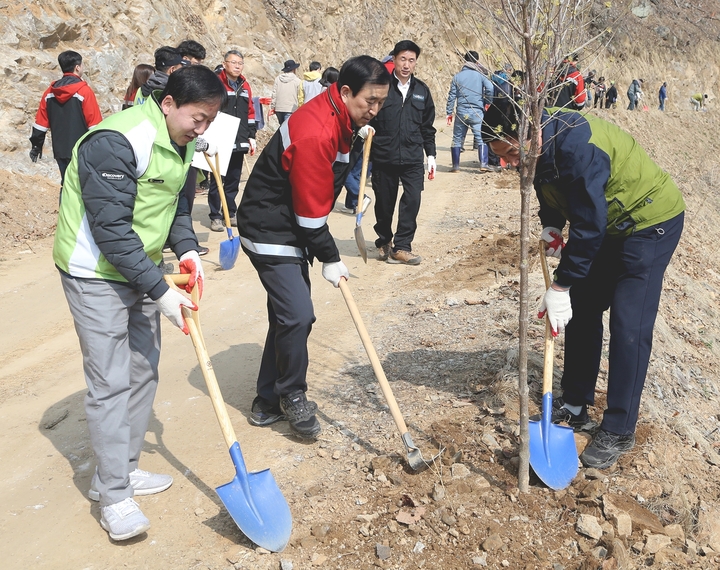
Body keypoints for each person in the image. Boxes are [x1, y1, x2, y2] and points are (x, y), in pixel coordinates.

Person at [53, 65, 226, 540]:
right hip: (95, 272)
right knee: (110, 381)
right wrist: (160, 290)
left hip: (141, 267)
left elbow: (173, 205)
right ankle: (112, 496)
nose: (202, 128)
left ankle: (123, 470)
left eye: (210, 119)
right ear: (167, 103)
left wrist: (187, 248)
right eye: (197, 117)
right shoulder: (116, 141)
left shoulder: (183, 139)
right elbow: (110, 230)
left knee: (143, 370)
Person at [482, 102, 685, 470]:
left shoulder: (576, 147)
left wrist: (561, 286)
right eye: (501, 156)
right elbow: (550, 187)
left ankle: (619, 428)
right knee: (585, 307)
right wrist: (552, 222)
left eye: (512, 153)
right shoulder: (537, 147)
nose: (509, 163)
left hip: (648, 221)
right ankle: (575, 404)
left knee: (628, 326)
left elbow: (590, 225)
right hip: (607, 222)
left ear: (533, 134)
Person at [237, 56, 390, 439]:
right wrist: (331, 256)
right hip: (270, 227)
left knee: (286, 316)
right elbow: (310, 218)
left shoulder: (340, 118)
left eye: (381, 103)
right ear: (344, 92)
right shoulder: (315, 131)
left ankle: (267, 401)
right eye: (369, 102)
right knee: (299, 315)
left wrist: (357, 137)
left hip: (291, 223)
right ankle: (290, 394)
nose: (374, 110)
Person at [370, 40, 437, 265]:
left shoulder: (422, 91)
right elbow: (367, 114)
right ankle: (384, 240)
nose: (406, 64)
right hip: (384, 155)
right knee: (384, 203)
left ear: (416, 63)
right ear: (394, 60)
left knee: (412, 200)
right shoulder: (381, 87)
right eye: (402, 59)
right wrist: (363, 128)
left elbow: (427, 126)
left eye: (411, 60)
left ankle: (402, 246)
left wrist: (432, 155)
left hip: (412, 157)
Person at [29, 50, 102, 186]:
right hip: (81, 150)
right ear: (77, 67)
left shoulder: (49, 92)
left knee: (66, 184)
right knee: (81, 187)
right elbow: (94, 124)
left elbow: (41, 122)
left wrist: (36, 145)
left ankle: (64, 207)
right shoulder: (84, 91)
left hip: (60, 150)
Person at [208, 50, 257, 233]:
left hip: (240, 138)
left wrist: (251, 134)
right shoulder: (216, 84)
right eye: (233, 62)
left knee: (234, 180)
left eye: (240, 63)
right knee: (218, 179)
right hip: (220, 138)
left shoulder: (245, 86)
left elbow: (250, 112)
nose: (237, 66)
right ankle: (215, 216)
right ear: (225, 63)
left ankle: (230, 211)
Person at [446, 51, 495, 173]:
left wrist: (449, 112)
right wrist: (487, 102)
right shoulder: (480, 75)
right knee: (480, 138)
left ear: (465, 61)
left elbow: (452, 95)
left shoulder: (457, 76)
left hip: (461, 111)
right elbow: (490, 88)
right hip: (477, 111)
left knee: (457, 138)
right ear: (477, 62)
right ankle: (483, 164)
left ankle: (456, 166)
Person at [270, 59, 301, 124]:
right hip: (290, 109)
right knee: (287, 129)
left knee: (282, 129)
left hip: (278, 108)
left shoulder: (277, 79)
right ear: (294, 69)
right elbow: (300, 96)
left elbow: (274, 94)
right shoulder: (297, 81)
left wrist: (273, 107)